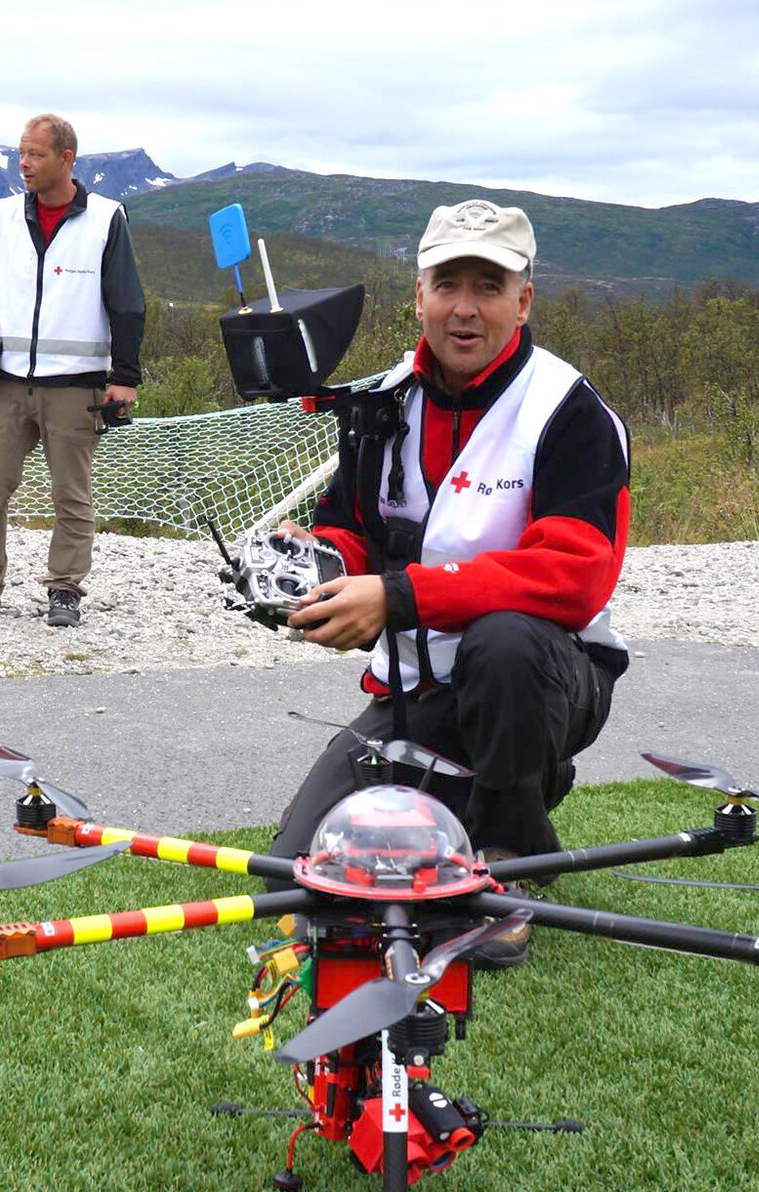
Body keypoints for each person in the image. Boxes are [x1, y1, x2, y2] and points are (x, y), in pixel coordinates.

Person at [269, 200, 631, 963]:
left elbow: (575, 576)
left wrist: (398, 598)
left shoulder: (570, 411)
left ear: (523, 300)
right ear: (419, 294)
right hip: (414, 688)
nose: (465, 309)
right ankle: (510, 799)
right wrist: (314, 563)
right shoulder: (382, 399)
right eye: (447, 283)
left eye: (489, 286)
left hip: (548, 680)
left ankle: (505, 861)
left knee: (505, 643)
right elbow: (351, 524)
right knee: (297, 880)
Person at [0, 113, 144, 627]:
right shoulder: (4, 214)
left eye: (36, 154)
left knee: (71, 496)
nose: (25, 164)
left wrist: (125, 376)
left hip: (76, 386)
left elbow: (127, 303)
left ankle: (65, 589)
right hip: (8, 380)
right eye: (21, 153)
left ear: (66, 159)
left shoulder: (105, 218)